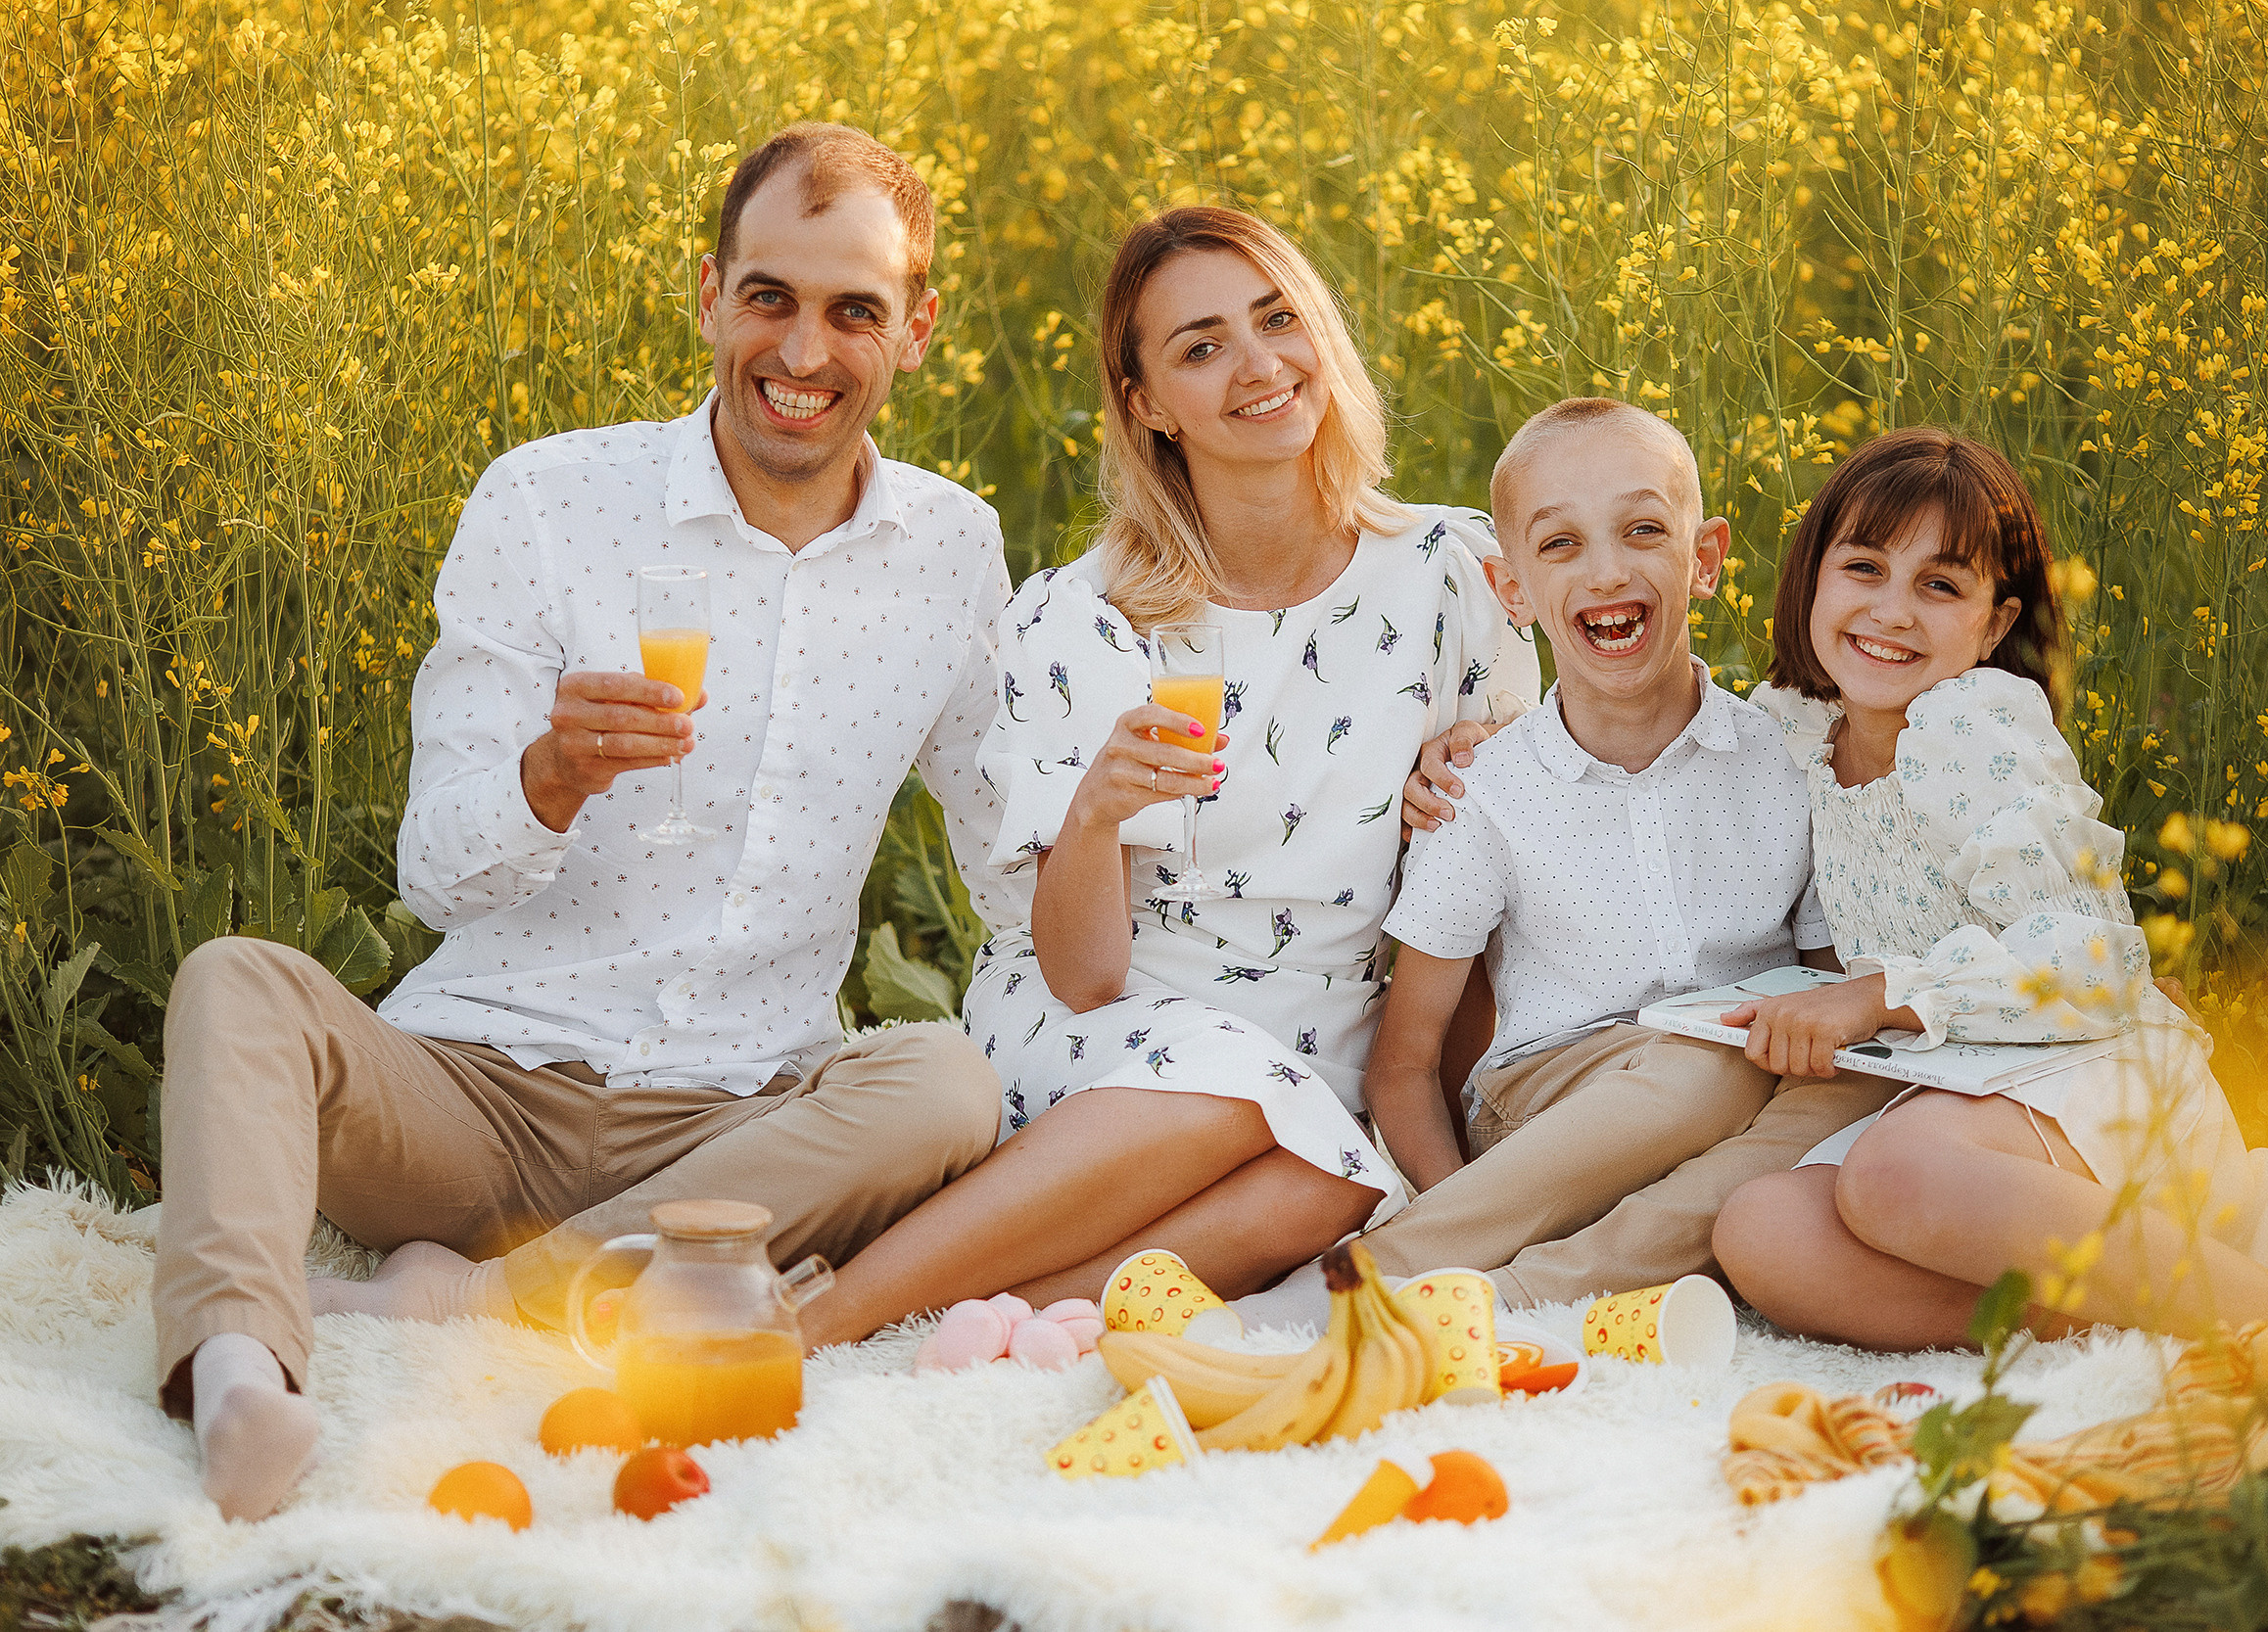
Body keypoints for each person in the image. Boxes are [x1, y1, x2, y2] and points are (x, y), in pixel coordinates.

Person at [152, 122, 1016, 1520]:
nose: (803, 352)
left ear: (913, 331)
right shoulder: (549, 500)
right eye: (770, 297)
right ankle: (243, 1371)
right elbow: (435, 868)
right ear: (708, 295)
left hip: (736, 1125)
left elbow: (1009, 841)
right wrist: (548, 776)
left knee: (945, 1081)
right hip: (479, 1092)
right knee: (235, 980)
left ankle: (483, 1296)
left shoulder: (955, 547)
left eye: (853, 309)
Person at [785, 205, 1540, 1346]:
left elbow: (1519, 850)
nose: (1259, 365)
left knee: (1329, 1185)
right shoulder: (1084, 618)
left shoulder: (1452, 576)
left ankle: (947, 1303)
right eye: (1200, 347)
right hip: (1108, 1024)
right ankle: (816, 1322)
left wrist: (1473, 789)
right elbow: (1085, 975)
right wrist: (1092, 813)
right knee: (1245, 1096)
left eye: (1277, 319)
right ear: (1145, 405)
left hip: (1328, 1052)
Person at [1710, 427, 2268, 1349]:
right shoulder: (1796, 728)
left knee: (1889, 1176)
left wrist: (1879, 994)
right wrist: (1474, 741)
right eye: (1864, 568)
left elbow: (2091, 964)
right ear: (1813, 578)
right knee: (1760, 1230)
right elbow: (1666, 766)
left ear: (1992, 623)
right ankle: (2139, 1298)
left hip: (2081, 1062)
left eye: (1940, 585)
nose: (1893, 612)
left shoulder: (1970, 728)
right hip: (1966, 1089)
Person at [1318, 397, 1904, 1311]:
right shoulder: (1488, 788)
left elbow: (1830, 991)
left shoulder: (1785, 759)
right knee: (1717, 1051)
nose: (1606, 570)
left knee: (1858, 1084)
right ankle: (1390, 1267)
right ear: (1512, 591)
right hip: (1545, 1102)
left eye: (1642, 530)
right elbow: (1402, 1064)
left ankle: (1519, 1294)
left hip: (1738, 1097)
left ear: (1703, 559)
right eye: (1560, 545)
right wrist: (1454, 1198)